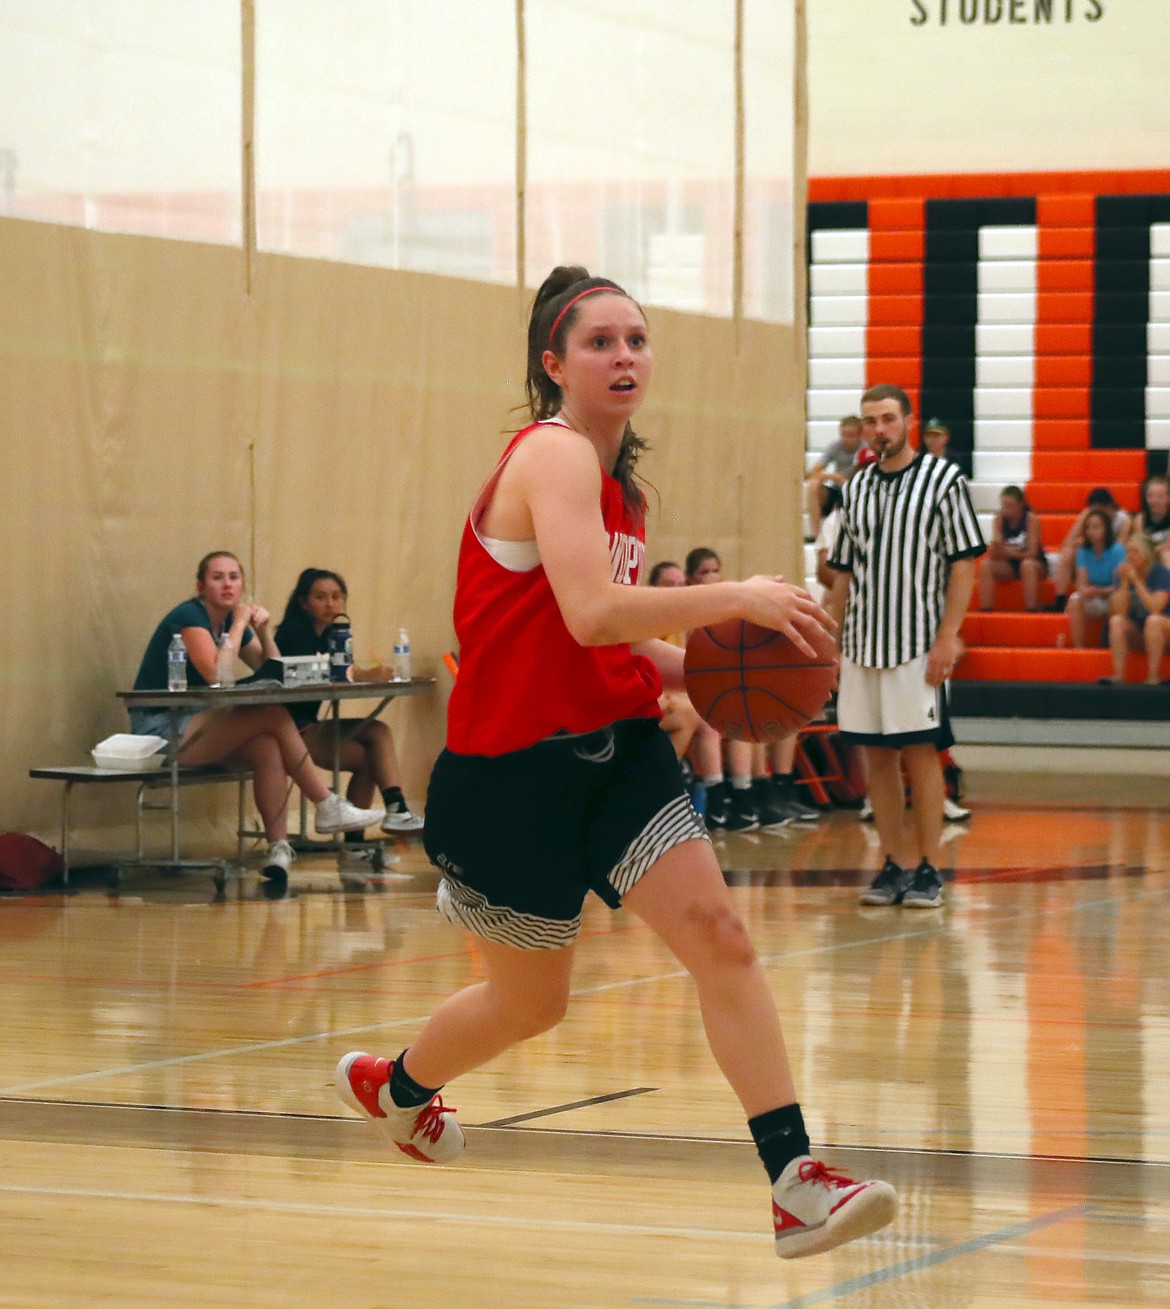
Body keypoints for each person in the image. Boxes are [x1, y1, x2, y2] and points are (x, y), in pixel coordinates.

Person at [335, 265, 896, 1258]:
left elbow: (610, 638)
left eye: (636, 338)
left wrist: (724, 677)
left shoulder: (621, 486)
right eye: (600, 341)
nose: (624, 355)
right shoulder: (551, 455)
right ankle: (400, 1086)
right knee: (530, 1003)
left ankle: (795, 1178)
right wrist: (737, 602)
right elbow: (594, 607)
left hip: (620, 759)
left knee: (722, 936)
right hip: (511, 775)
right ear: (552, 364)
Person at [130, 552, 384, 883]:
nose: (227, 584)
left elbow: (276, 672)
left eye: (234, 577)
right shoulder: (190, 616)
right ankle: (325, 802)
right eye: (218, 577)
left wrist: (263, 632)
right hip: (159, 730)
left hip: (198, 724)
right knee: (272, 713)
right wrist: (238, 625)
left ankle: (278, 848)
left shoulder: (232, 622)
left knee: (266, 746)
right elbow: (216, 675)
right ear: (201, 586)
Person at [827, 384, 985, 909]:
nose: (879, 429)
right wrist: (829, 638)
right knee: (874, 755)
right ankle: (894, 863)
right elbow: (842, 574)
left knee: (921, 752)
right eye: (871, 420)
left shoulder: (944, 481)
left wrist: (949, 635)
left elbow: (964, 561)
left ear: (908, 422)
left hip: (916, 643)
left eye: (888, 418)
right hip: (859, 644)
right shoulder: (855, 487)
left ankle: (930, 869)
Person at [274, 568, 424, 871]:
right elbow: (328, 676)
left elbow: (343, 674)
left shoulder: (333, 633)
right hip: (287, 730)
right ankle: (393, 811)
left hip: (310, 725)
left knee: (376, 740)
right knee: (374, 744)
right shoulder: (293, 633)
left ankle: (369, 833)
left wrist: (364, 675)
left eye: (336, 597)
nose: (330, 604)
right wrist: (367, 675)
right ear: (303, 602)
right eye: (320, 597)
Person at [1101, 535, 1170, 685]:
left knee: (1154, 621)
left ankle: (1153, 675)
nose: (1129, 556)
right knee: (1116, 621)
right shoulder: (1122, 574)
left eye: (1135, 551)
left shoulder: (1161, 573)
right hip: (1140, 631)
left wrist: (1138, 582)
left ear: (1146, 555)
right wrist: (1125, 583)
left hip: (1164, 632)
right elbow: (1120, 611)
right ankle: (1119, 675)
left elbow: (1156, 607)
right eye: (1128, 552)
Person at [1050, 488, 1132, 612]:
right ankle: (1060, 600)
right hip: (1092, 556)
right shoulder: (1088, 516)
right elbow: (1067, 543)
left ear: (1109, 507)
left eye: (1099, 510)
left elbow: (1121, 546)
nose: (1096, 514)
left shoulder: (1123, 519)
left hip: (1111, 560)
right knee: (1067, 553)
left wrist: (1100, 542)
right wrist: (1084, 540)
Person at [977, 485, 1047, 613]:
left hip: (1036, 564)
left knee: (1027, 566)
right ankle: (985, 611)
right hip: (1009, 565)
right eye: (1004, 506)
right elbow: (996, 551)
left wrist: (1007, 553)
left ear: (1020, 505)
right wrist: (997, 549)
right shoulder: (998, 519)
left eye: (1010, 506)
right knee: (985, 565)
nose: (1006, 510)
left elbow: (1032, 553)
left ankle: (1031, 611)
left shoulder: (1030, 519)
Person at [1065, 508, 1125, 648]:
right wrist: (1086, 591)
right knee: (1074, 600)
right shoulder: (1083, 552)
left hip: (1111, 595)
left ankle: (1112, 643)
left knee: (1118, 597)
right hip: (1094, 596)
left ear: (1106, 529)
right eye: (1088, 528)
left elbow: (1119, 585)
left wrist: (1099, 591)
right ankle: (1078, 648)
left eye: (1096, 527)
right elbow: (1081, 584)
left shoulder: (1118, 550)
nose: (1091, 531)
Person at [805, 415, 864, 538]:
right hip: (838, 487)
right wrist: (835, 477)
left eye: (851, 436)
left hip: (856, 491)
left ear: (859, 435)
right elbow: (814, 472)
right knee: (813, 484)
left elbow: (859, 477)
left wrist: (837, 478)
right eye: (844, 435)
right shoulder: (836, 446)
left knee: (847, 489)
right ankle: (817, 535)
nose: (846, 439)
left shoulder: (864, 450)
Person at [1133, 474, 1170, 567]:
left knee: (1166, 555)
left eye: (1160, 496)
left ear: (1168, 498)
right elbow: (1139, 545)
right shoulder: (1140, 519)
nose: (1155, 500)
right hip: (1148, 558)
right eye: (1150, 496)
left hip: (1165, 556)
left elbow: (1167, 546)